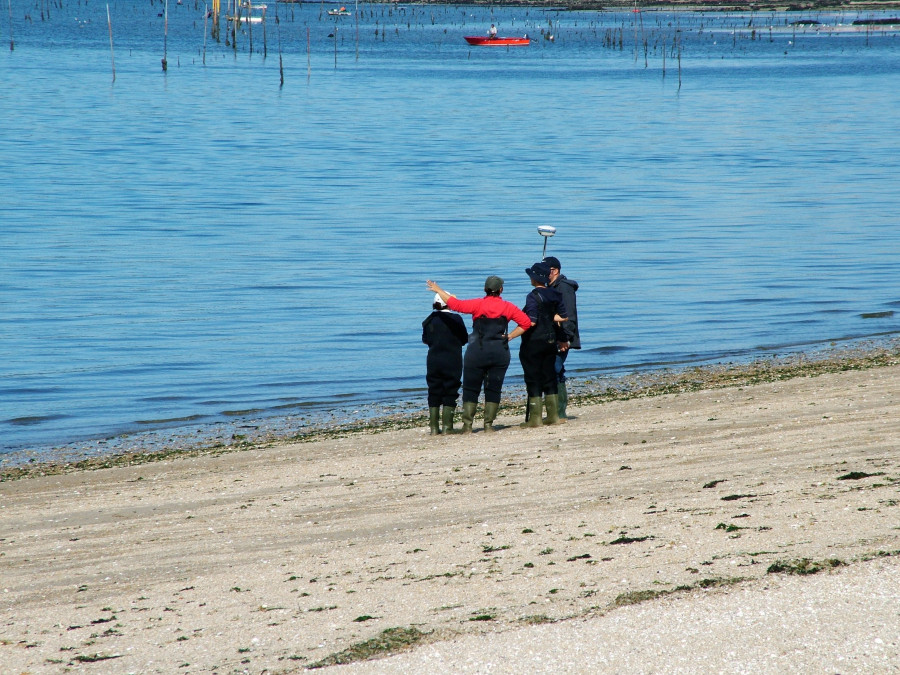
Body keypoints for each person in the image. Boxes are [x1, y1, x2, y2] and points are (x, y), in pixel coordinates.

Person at [426, 276, 531, 433]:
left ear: (485, 289)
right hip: (499, 352)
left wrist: (438, 289)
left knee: (471, 388)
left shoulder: (478, 304)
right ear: (501, 290)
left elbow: (456, 305)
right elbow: (526, 323)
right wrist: (510, 336)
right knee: (494, 389)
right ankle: (488, 425)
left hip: (476, 352)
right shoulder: (508, 307)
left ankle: (467, 426)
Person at [519, 262, 568, 427]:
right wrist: (550, 320)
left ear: (534, 278)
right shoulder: (555, 294)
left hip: (533, 341)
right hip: (550, 340)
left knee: (532, 377)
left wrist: (513, 332)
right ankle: (553, 416)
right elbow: (563, 317)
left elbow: (531, 321)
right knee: (549, 377)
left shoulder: (532, 296)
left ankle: (535, 419)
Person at [422, 293, 468, 435]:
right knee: (451, 388)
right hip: (452, 359)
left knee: (434, 389)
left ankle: (434, 428)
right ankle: (448, 427)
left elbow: (426, 340)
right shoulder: (456, 319)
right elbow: (464, 339)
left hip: (433, 359)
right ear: (449, 303)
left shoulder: (429, 320)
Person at [543, 256, 580, 419]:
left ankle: (559, 412)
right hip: (551, 336)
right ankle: (555, 412)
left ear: (555, 271)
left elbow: (569, 316)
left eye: (546, 270)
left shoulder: (564, 288)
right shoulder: (550, 286)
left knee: (555, 369)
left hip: (562, 337)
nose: (544, 273)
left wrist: (565, 337)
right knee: (554, 370)